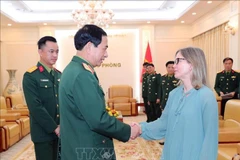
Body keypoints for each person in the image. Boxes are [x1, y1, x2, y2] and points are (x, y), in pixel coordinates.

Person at [59, 24, 139, 160]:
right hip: (88, 150)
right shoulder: (82, 75)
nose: (106, 54)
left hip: (77, 146)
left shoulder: (73, 69)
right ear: (90, 47)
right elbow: (98, 120)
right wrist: (128, 130)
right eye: (104, 48)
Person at [131, 47, 218, 160]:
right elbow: (163, 124)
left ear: (192, 64)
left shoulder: (206, 96)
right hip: (170, 154)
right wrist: (140, 128)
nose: (174, 66)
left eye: (178, 61)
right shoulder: (174, 94)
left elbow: (210, 139)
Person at [22, 36, 61, 160]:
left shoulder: (59, 74)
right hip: (43, 133)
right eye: (51, 51)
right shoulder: (31, 76)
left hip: (61, 132)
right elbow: (35, 107)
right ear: (40, 51)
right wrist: (54, 128)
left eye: (57, 51)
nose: (55, 55)